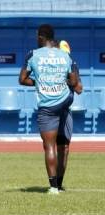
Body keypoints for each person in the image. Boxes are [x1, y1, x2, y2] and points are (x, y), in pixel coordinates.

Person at [19, 24, 80, 194]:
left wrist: (39, 82)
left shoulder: (33, 54)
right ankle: (60, 184)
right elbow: (75, 83)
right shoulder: (65, 56)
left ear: (40, 37)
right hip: (64, 103)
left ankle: (53, 187)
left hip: (47, 107)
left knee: (50, 146)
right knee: (63, 146)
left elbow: (22, 79)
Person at [56, 40, 83, 191]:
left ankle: (59, 184)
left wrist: (68, 80)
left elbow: (79, 89)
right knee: (51, 148)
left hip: (66, 111)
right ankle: (53, 183)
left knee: (65, 148)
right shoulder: (48, 67)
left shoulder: (72, 65)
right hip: (51, 111)